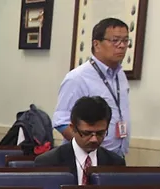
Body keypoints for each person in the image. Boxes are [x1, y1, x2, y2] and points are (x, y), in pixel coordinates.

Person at [54, 17, 131, 156]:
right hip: (86, 159)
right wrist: (91, 148)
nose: (122, 45)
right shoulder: (78, 78)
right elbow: (61, 122)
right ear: (97, 44)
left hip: (116, 158)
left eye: (125, 40)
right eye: (115, 40)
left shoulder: (120, 75)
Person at [35, 96, 125, 184]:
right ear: (73, 128)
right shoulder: (48, 163)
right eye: (86, 133)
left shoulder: (115, 164)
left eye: (100, 133)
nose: (94, 139)